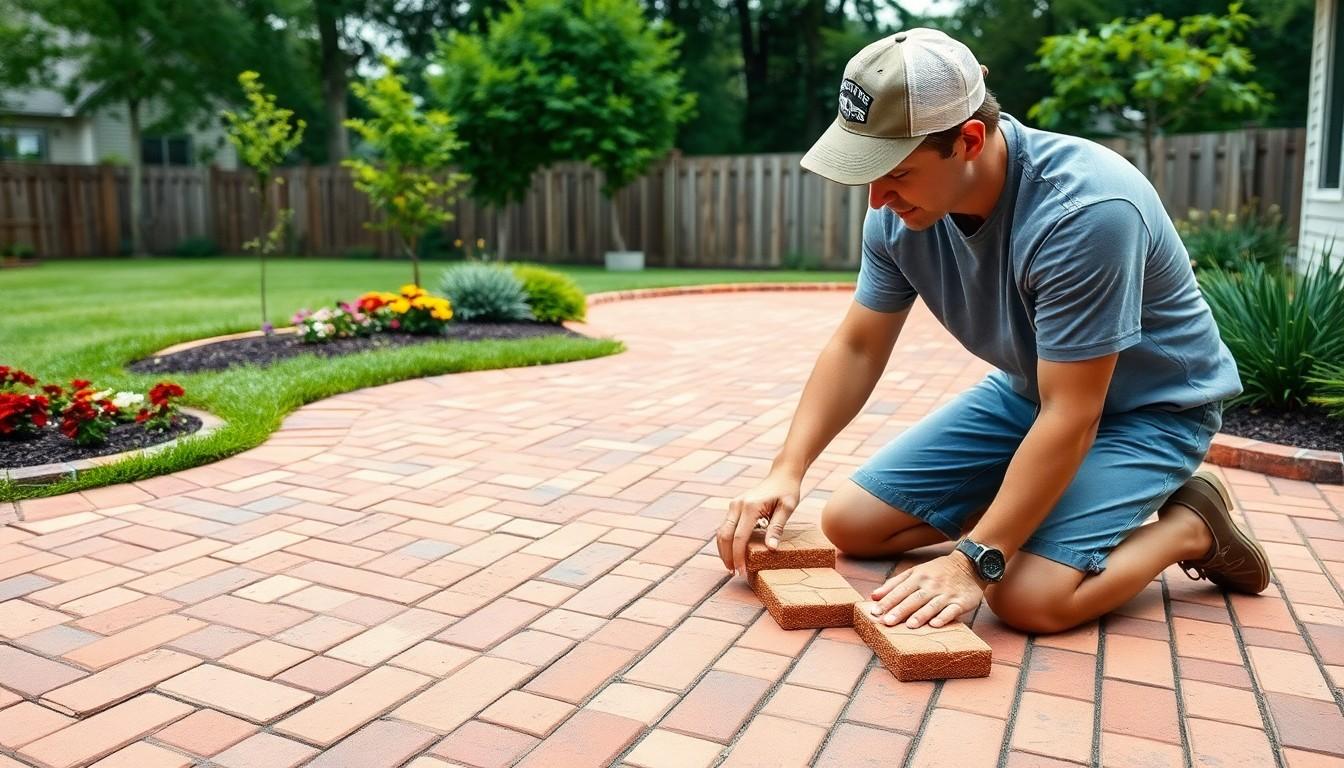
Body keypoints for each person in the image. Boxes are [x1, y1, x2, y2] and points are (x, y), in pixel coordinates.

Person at [714, 28, 1272, 635]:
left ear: (969, 140)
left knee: (1026, 597)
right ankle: (1040, 509)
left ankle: (1190, 526)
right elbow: (858, 345)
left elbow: (1075, 414)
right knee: (851, 523)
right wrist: (786, 468)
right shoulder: (902, 216)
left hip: (1150, 412)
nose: (876, 199)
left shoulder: (1084, 212)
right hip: (1031, 395)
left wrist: (975, 559)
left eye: (895, 172)